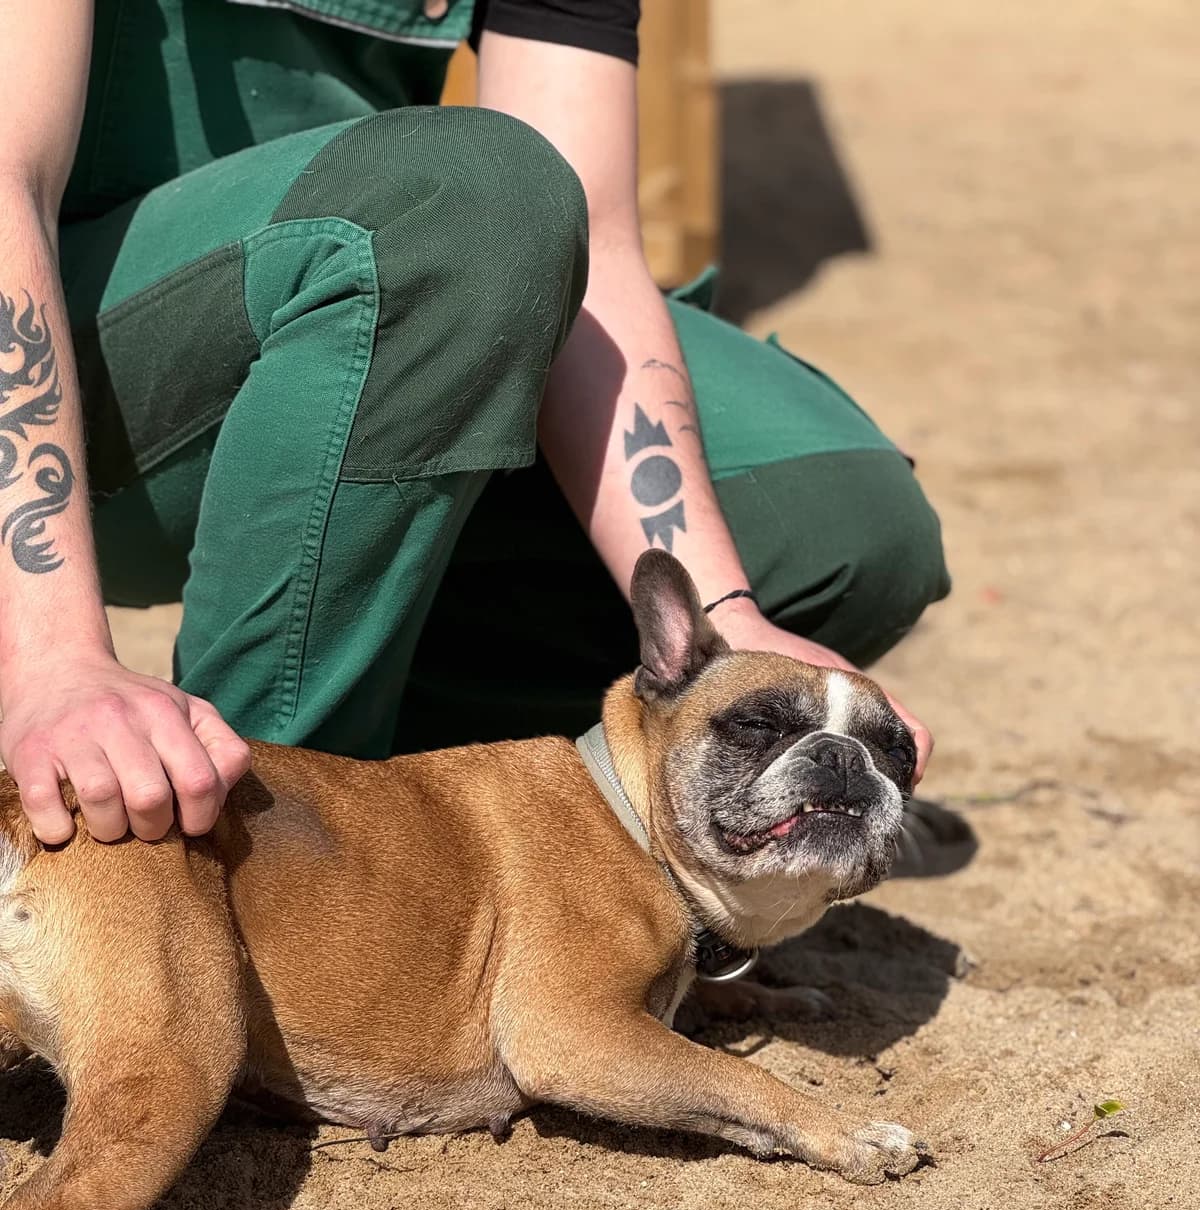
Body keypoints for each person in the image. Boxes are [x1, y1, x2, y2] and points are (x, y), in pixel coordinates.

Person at [0, 0, 949, 848]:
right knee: (464, 192)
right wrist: (51, 659)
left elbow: (597, 247)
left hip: (382, 332)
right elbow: (6, 182)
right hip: (93, 359)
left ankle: (429, 790)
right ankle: (268, 847)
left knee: (837, 521)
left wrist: (725, 625)